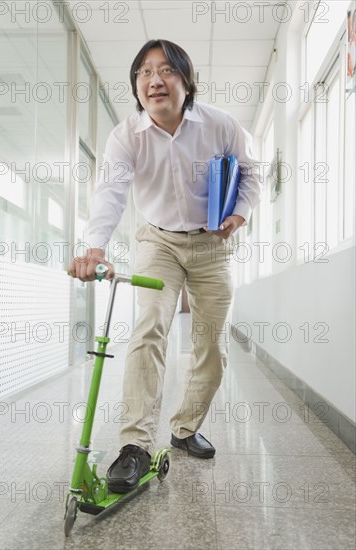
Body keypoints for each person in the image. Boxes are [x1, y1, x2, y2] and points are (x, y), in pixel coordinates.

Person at [68, 39, 262, 493]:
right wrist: (94, 247)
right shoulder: (126, 136)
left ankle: (184, 428)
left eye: (167, 71)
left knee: (211, 344)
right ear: (136, 85)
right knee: (149, 327)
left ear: (186, 80)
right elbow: (110, 193)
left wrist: (242, 213)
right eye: (144, 73)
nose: (155, 80)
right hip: (158, 241)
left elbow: (252, 170)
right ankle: (135, 445)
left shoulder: (219, 124)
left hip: (212, 246)